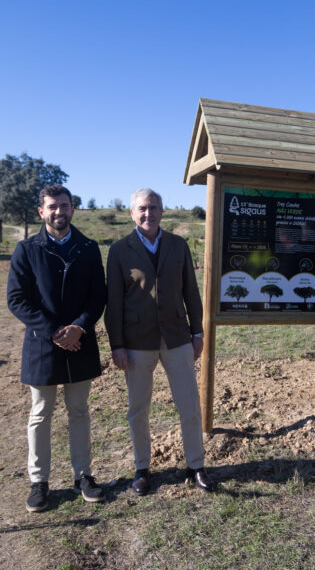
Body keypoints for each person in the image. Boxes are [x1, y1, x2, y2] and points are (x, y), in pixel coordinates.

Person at [105, 188, 214, 495]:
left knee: (189, 405)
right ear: (132, 213)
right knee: (138, 408)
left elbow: (190, 292)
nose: (148, 213)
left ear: (162, 211)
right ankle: (142, 468)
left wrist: (197, 332)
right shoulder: (119, 250)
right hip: (137, 341)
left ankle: (196, 465)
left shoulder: (178, 245)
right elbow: (113, 302)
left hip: (177, 337)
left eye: (153, 208)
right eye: (142, 209)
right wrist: (117, 345)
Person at [7, 185, 107, 512]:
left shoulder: (88, 248)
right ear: (41, 211)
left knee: (79, 412)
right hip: (42, 346)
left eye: (64, 206)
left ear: (72, 209)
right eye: (52, 207)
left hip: (80, 343)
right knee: (40, 414)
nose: (58, 212)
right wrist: (53, 331)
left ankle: (83, 476)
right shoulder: (26, 249)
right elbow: (17, 300)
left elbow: (98, 296)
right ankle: (39, 482)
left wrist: (79, 327)